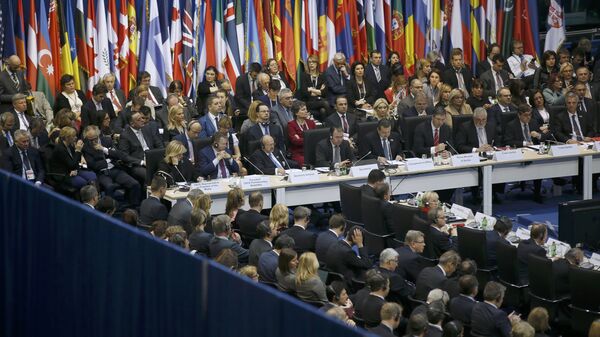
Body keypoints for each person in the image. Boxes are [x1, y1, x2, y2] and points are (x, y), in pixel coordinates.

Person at [81, 125, 141, 206]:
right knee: (110, 187)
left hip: (114, 170)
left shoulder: (107, 140)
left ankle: (134, 209)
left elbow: (118, 155)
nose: (93, 141)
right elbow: (93, 165)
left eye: (95, 138)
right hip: (101, 174)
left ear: (98, 135)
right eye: (90, 139)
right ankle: (111, 210)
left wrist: (103, 149)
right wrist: (109, 160)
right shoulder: (86, 147)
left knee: (134, 184)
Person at [117, 111, 164, 185]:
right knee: (150, 176)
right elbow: (124, 156)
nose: (143, 120)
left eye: (142, 118)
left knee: (167, 170)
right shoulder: (125, 135)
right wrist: (141, 162)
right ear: (132, 123)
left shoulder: (147, 128)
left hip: (152, 159)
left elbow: (158, 143)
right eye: (139, 119)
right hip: (138, 165)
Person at [297, 55, 329, 121]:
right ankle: (333, 122)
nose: (311, 64)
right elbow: (304, 92)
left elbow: (324, 92)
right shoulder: (304, 76)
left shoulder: (322, 76)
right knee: (325, 103)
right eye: (309, 62)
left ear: (317, 64)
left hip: (319, 100)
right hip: (308, 102)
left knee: (323, 110)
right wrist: (318, 91)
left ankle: (324, 127)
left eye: (313, 62)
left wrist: (311, 89)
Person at [287, 100, 316, 167]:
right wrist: (310, 140)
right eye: (303, 110)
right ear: (296, 113)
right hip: (298, 152)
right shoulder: (291, 124)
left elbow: (316, 138)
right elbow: (295, 141)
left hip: (311, 151)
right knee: (305, 162)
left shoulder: (311, 123)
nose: (306, 111)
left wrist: (300, 138)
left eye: (306, 109)